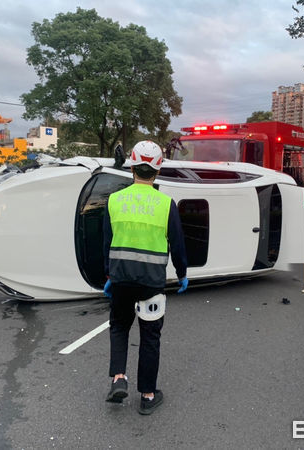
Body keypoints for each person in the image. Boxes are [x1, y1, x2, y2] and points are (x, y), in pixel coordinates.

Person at [103, 140, 188, 415]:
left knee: (119, 326)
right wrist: (183, 274)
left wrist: (108, 275)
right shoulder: (166, 204)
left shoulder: (114, 200)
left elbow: (106, 242)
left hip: (120, 279)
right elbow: (177, 243)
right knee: (150, 337)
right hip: (151, 283)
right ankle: (148, 396)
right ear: (158, 168)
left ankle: (118, 378)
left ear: (131, 164)